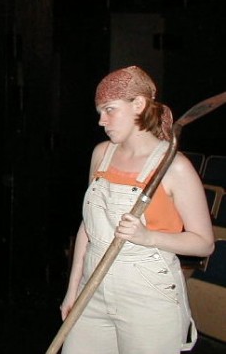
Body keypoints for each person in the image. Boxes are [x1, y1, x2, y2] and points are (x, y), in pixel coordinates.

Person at [60, 66, 214, 354]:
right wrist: (73, 290)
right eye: (100, 112)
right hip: (92, 287)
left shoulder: (175, 167)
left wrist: (148, 236)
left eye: (110, 110)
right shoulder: (101, 154)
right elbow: (87, 227)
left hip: (146, 291)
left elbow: (204, 244)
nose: (101, 121)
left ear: (139, 105)